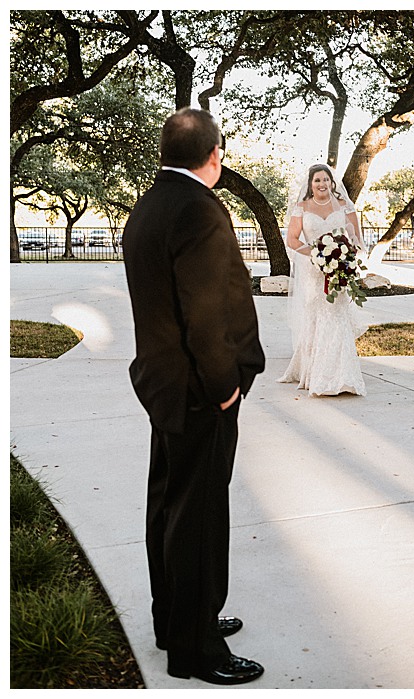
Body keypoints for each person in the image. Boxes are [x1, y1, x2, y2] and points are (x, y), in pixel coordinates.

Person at [122, 108, 266, 685]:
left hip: (163, 387)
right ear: (214, 155)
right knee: (199, 516)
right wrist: (225, 386)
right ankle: (197, 650)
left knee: (169, 506)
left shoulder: (147, 205)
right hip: (200, 391)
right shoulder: (200, 211)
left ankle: (178, 618)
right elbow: (205, 318)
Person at [278, 163, 366, 396]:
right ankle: (313, 372)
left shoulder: (345, 205)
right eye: (317, 180)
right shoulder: (302, 207)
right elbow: (293, 241)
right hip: (313, 271)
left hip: (339, 270)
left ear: (331, 182)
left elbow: (355, 237)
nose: (322, 184)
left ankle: (343, 375)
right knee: (315, 317)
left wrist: (348, 256)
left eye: (325, 179)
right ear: (310, 184)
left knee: (336, 315)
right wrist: (317, 254)